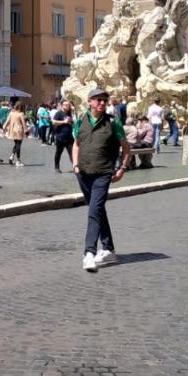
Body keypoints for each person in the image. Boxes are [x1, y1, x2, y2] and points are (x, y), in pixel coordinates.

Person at [72, 88, 130, 272]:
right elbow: (76, 144)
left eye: (104, 100)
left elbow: (126, 148)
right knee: (96, 210)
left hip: (104, 173)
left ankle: (89, 252)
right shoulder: (80, 120)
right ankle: (109, 248)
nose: (102, 103)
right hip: (83, 172)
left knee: (94, 210)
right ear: (89, 102)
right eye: (98, 100)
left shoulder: (113, 122)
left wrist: (122, 168)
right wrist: (75, 165)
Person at [51, 101, 75, 172]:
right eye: (66, 105)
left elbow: (71, 122)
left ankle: (75, 167)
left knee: (72, 153)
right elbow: (54, 122)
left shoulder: (69, 113)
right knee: (58, 152)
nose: (67, 106)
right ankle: (56, 167)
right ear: (62, 106)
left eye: (68, 105)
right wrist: (63, 122)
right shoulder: (59, 113)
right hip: (60, 137)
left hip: (69, 137)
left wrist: (71, 122)